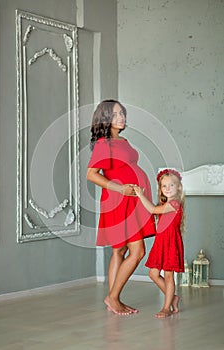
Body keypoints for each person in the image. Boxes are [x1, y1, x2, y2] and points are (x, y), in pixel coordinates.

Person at [87, 99, 155, 315]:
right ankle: (113, 297)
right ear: (105, 119)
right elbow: (91, 174)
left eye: (122, 113)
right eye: (116, 115)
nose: (121, 117)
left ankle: (113, 299)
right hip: (119, 201)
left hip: (132, 200)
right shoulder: (103, 143)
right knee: (137, 251)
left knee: (120, 250)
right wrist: (118, 188)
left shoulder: (122, 141)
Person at [134, 169, 185, 318]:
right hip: (161, 241)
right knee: (153, 273)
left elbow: (152, 209)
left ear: (178, 187)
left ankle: (166, 307)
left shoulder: (174, 204)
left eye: (171, 185)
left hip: (170, 242)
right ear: (161, 189)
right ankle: (173, 298)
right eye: (164, 186)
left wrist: (140, 195)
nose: (168, 188)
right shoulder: (165, 203)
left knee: (169, 275)